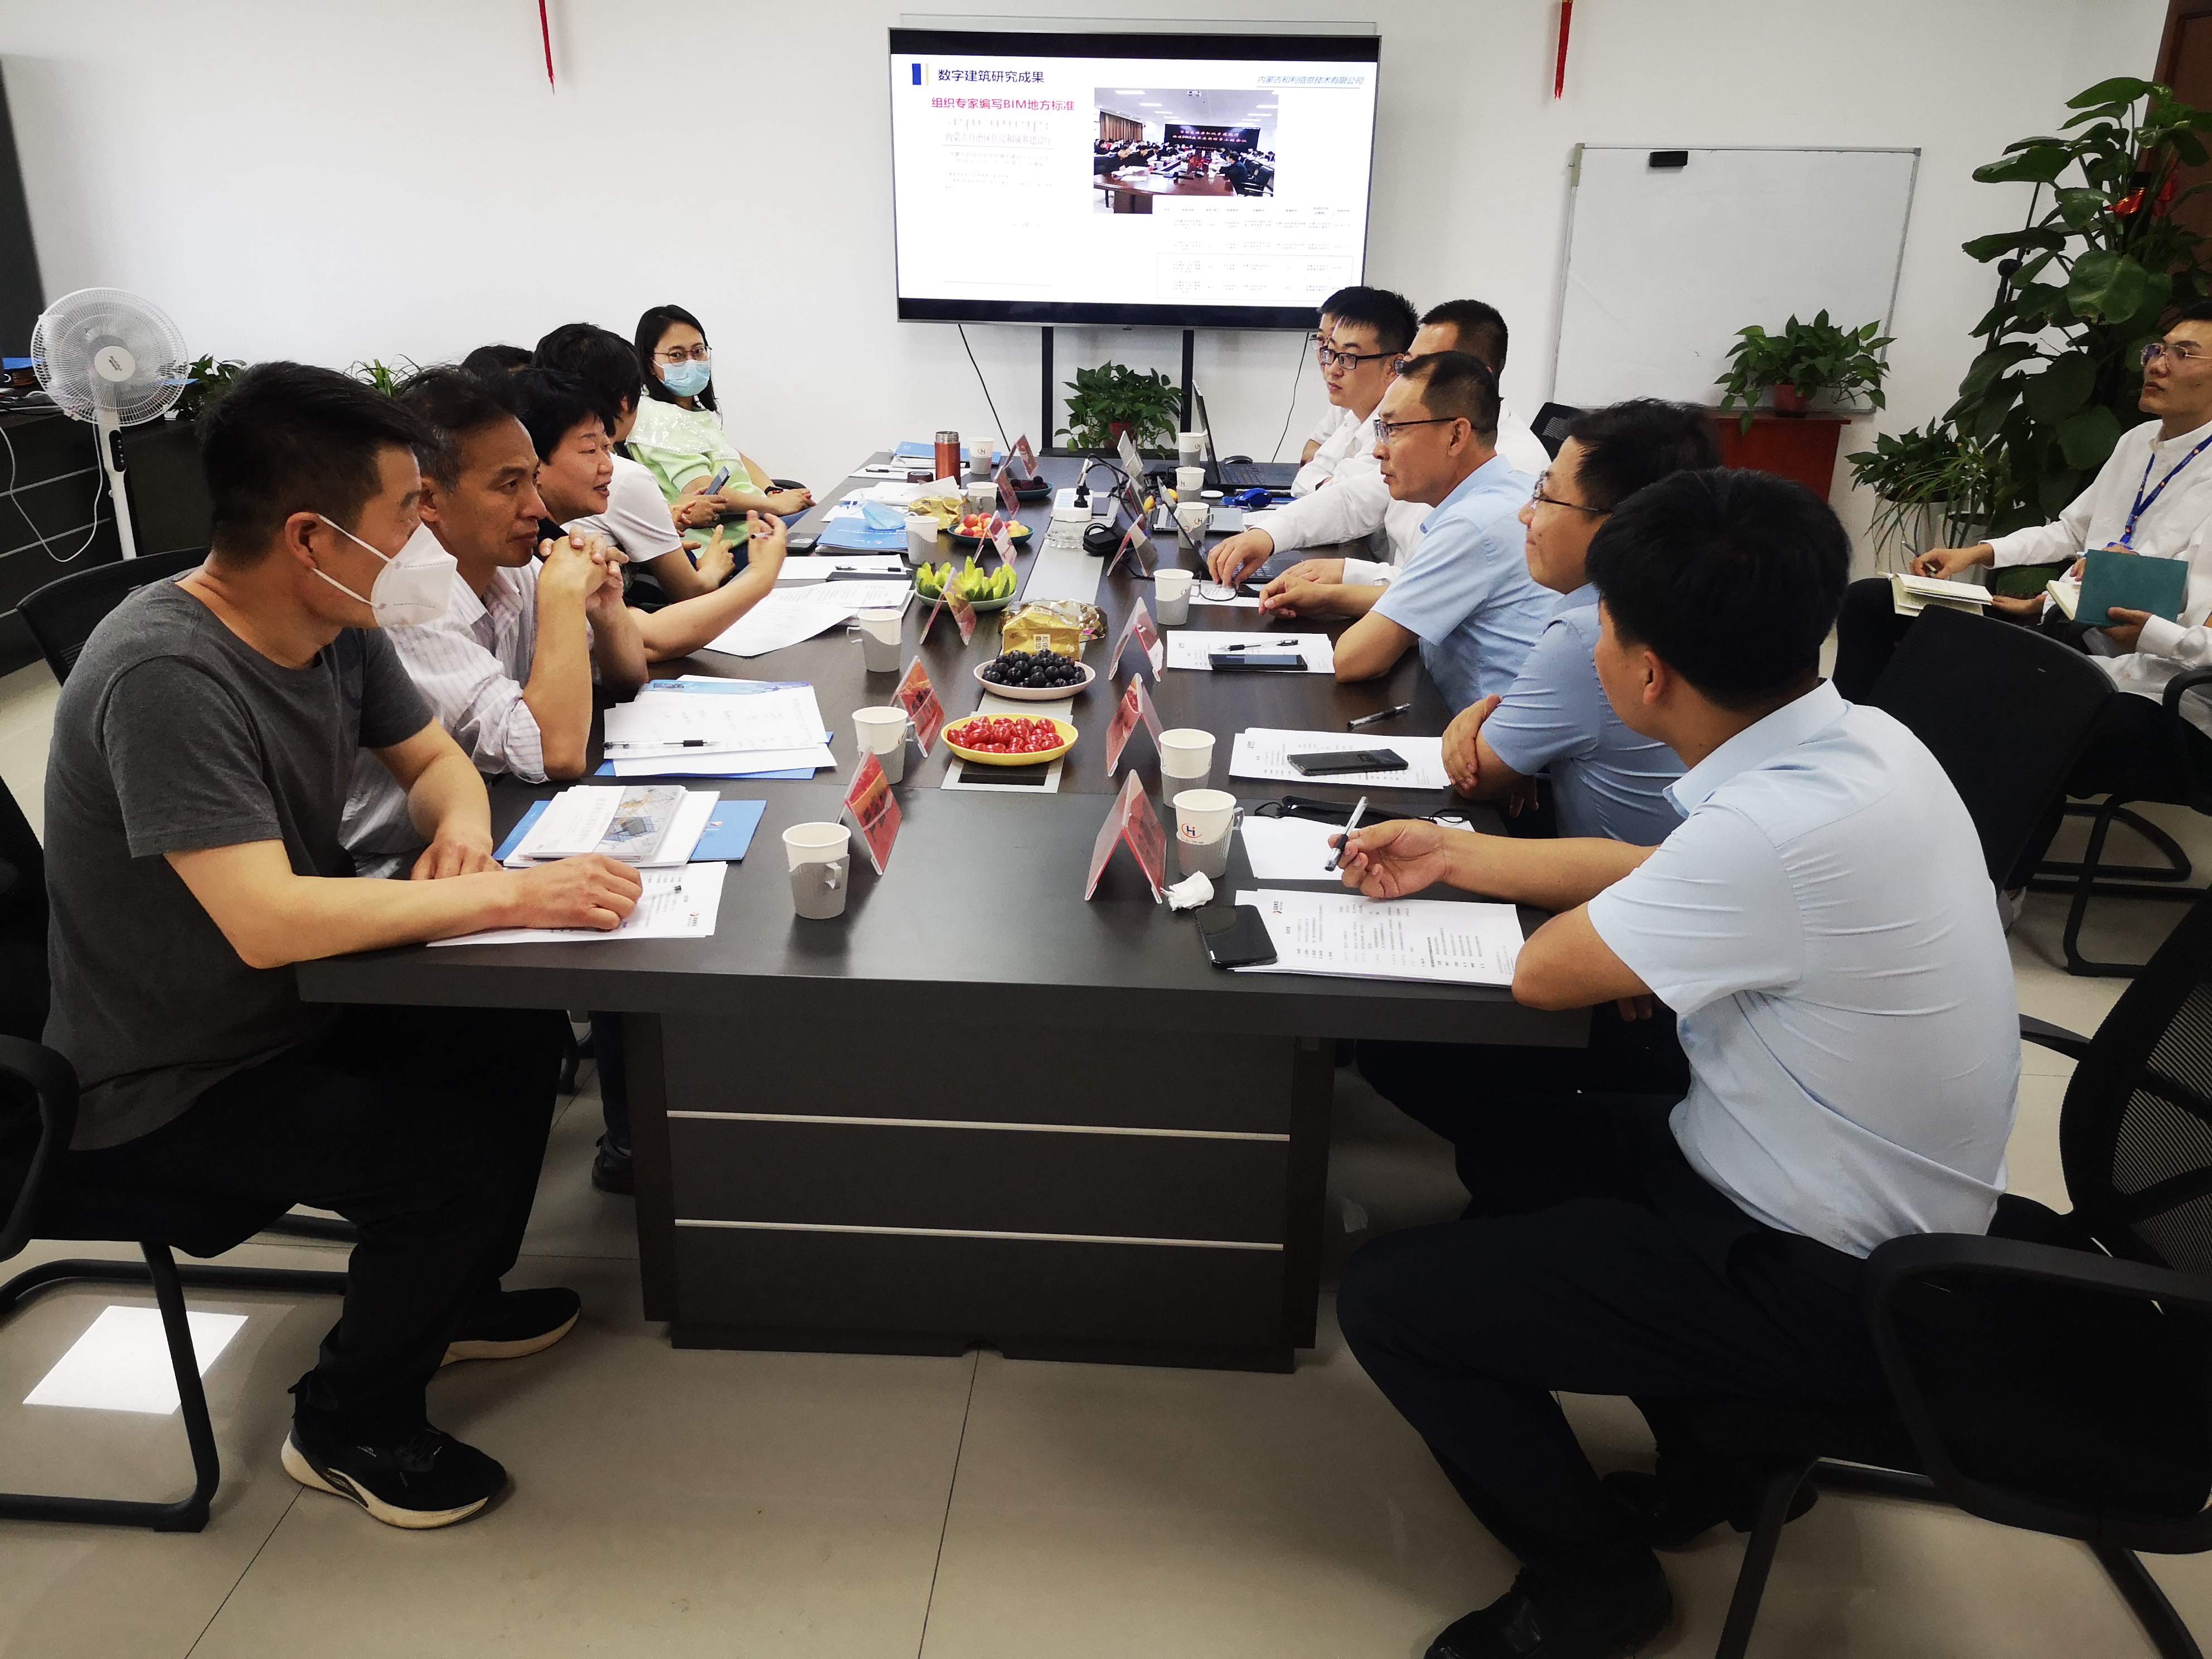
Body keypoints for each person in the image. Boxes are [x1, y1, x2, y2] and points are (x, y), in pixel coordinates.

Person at [1333, 468, 2019, 1659]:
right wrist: (1456, 855)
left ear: (1647, 673)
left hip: (1833, 1278)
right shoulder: (1859, 742)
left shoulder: (1770, 831)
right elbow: (1671, 874)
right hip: (1858, 1202)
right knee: (1518, 1145)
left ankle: (1594, 1588)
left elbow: (1547, 975)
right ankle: (1722, 1458)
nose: (1584, 643)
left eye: (1598, 625)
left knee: (1390, 1303)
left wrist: (1473, 880)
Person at [45, 362, 644, 1529]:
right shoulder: (167, 673)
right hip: (170, 1073)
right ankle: (348, 1423)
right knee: (440, 1160)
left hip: (292, 999)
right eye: (406, 513)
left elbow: (438, 763)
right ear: (312, 537)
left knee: (514, 1031)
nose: (424, 537)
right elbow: (267, 917)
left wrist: (463, 838)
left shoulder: (336, 621)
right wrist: (501, 899)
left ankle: (452, 1300)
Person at [1833, 300, 2212, 889]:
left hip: (2161, 688)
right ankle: (1844, 780)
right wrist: (1977, 555)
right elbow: (2071, 533)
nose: (2157, 364)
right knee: (1874, 602)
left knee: (2009, 700)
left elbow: (2184, 621)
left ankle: (1992, 887)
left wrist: (2150, 632)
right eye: (2158, 349)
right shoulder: (2138, 442)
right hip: (2073, 636)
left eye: (2183, 354)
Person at [339, 368, 645, 878]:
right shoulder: (407, 601)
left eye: (533, 480)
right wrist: (563, 596)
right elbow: (555, 753)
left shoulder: (511, 565)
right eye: (509, 485)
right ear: (428, 500)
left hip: (492, 820)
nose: (537, 508)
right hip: (393, 867)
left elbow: (629, 675)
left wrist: (606, 610)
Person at [1439, 399, 1719, 842]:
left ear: (1617, 527)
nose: (1526, 514)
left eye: (1545, 496)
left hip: (1615, 879)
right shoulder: (1698, 602)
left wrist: (1472, 722)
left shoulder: (1594, 635)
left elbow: (1478, 775)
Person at [1280, 352, 1549, 707]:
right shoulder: (1514, 490)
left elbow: (1354, 660)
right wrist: (1330, 597)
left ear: (1456, 436)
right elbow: (1420, 606)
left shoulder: (1472, 525)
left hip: (1486, 730)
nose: (1379, 450)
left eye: (1394, 430)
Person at [1258, 299, 1553, 608]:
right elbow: (1357, 498)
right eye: (1407, 366)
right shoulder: (1424, 431)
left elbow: (1431, 592)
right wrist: (1267, 535)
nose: (1403, 380)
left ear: (1478, 377)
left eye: (1423, 368)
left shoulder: (1515, 466)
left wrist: (1343, 582)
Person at [515, 367, 792, 666]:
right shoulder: (537, 555)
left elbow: (633, 656)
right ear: (533, 464)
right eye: (590, 450)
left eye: (607, 448)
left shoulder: (561, 538)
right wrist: (761, 577)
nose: (608, 466)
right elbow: (648, 640)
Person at [1205, 287, 1421, 589]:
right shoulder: (1355, 416)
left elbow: (1352, 503)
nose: (1331, 369)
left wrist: (1269, 534)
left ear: (1393, 367)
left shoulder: (1407, 434)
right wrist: (1327, 488)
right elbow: (1309, 474)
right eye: (1329, 352)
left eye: (1348, 358)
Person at [533, 322, 735, 603]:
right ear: (625, 400)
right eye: (590, 450)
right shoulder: (623, 475)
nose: (606, 466)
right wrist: (717, 567)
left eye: (698, 351)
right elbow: (691, 592)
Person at [627, 304, 813, 543]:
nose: (691, 362)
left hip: (754, 524)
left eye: (698, 351)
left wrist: (772, 492)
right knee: (830, 523)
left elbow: (735, 457)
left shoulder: (690, 411)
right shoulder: (659, 417)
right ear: (649, 363)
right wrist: (774, 506)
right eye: (677, 355)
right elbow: (706, 491)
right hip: (729, 543)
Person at [1299, 287, 1367, 466]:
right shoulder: (1343, 397)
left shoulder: (1388, 417)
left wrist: (1322, 469)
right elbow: (1309, 454)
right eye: (1321, 340)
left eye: (1334, 344)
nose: (1326, 356)